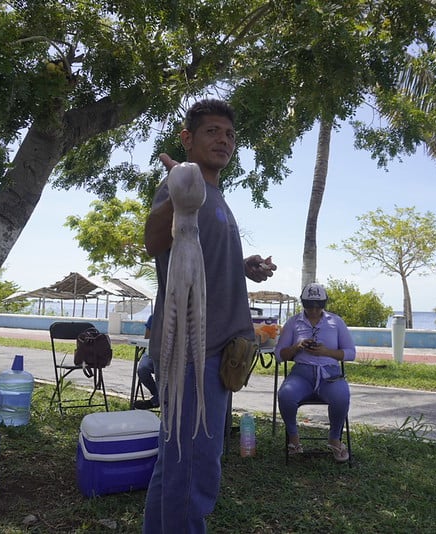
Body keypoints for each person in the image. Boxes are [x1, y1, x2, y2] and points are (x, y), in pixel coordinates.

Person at [142, 98, 276, 533]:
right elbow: (154, 240)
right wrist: (179, 194)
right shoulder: (183, 185)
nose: (224, 140)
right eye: (212, 131)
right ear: (187, 139)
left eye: (230, 134)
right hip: (191, 353)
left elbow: (200, 255)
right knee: (196, 469)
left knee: (176, 463)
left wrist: (243, 266)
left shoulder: (216, 196)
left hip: (220, 350)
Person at [275, 282, 356, 463]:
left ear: (324, 304)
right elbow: (279, 355)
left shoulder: (336, 322)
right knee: (285, 395)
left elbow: (351, 353)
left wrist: (326, 352)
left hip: (330, 375)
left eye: (318, 305)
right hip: (301, 375)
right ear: (303, 303)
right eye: (309, 305)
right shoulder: (293, 322)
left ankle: (335, 439)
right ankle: (294, 439)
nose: (313, 309)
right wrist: (297, 347)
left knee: (342, 396)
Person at [134, 314, 158, 410]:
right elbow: (147, 339)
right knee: (142, 369)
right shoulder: (153, 318)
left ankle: (156, 400)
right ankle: (158, 397)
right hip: (152, 352)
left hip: (171, 356)